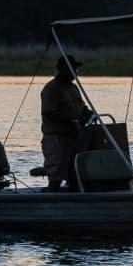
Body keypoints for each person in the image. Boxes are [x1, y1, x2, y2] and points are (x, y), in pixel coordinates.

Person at [40, 54, 91, 191]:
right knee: (56, 175)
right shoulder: (52, 88)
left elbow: (81, 108)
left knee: (74, 174)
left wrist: (89, 114)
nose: (75, 72)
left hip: (74, 137)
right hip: (57, 139)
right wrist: (71, 119)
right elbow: (48, 112)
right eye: (72, 69)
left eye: (76, 69)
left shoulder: (73, 88)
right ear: (61, 69)